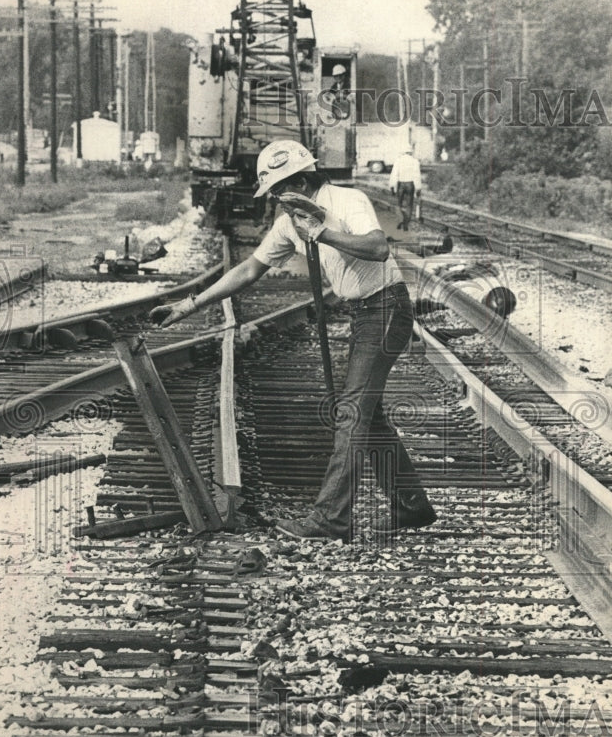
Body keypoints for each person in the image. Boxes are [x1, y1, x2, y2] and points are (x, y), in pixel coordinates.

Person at [151, 139, 436, 543]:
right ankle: (412, 506)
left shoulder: (346, 200)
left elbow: (377, 247)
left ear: (301, 181)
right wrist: (189, 304)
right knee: (366, 415)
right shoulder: (290, 223)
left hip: (387, 309)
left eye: (280, 193)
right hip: (363, 314)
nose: (277, 204)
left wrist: (324, 233)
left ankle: (332, 518)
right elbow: (250, 269)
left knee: (351, 412)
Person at [389, 148, 422, 230]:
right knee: (409, 205)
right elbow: (416, 175)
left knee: (398, 203)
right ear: (411, 152)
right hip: (410, 184)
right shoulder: (415, 161)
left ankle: (400, 220)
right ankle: (406, 223)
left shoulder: (398, 161)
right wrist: (418, 188)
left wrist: (392, 186)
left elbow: (394, 174)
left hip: (400, 184)